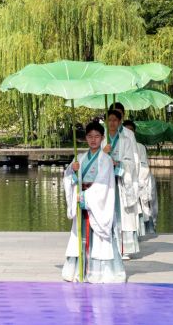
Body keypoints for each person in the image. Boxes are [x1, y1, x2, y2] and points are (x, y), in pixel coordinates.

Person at [61, 120, 126, 283]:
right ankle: (80, 271)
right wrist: (72, 171)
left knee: (99, 236)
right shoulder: (80, 158)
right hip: (81, 200)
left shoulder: (106, 159)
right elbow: (68, 178)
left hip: (96, 201)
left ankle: (99, 272)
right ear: (86, 138)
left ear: (102, 138)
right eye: (90, 136)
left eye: (97, 136)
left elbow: (104, 183)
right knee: (80, 235)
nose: (93, 140)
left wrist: (85, 196)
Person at [104, 108, 141, 258]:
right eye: (109, 120)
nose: (112, 123)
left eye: (115, 120)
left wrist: (118, 163)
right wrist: (103, 153)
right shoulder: (102, 139)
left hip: (120, 181)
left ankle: (125, 248)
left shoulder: (126, 139)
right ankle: (107, 247)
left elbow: (132, 161)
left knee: (123, 215)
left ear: (119, 122)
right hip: (105, 182)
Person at [123, 120, 157, 238]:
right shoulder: (120, 145)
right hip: (126, 182)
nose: (129, 133)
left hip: (140, 181)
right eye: (126, 130)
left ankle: (146, 231)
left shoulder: (140, 147)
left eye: (131, 130)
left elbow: (144, 165)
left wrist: (139, 181)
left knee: (144, 208)